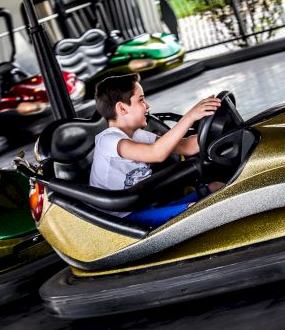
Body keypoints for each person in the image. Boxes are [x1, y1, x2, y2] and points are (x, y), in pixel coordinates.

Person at [90, 74, 223, 227]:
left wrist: (217, 129)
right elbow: (156, 154)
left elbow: (187, 146)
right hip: (121, 219)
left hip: (145, 204)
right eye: (141, 100)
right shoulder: (108, 140)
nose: (147, 106)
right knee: (197, 212)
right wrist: (190, 116)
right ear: (121, 108)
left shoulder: (139, 135)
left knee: (215, 187)